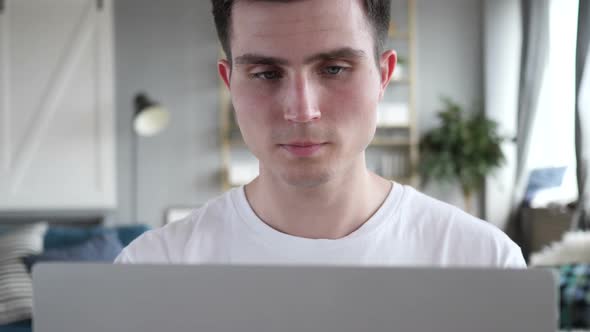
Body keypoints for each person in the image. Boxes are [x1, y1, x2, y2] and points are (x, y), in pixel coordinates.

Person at [115, 0, 525, 268]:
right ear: (230, 82)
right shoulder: (152, 268)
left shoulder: (483, 261)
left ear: (383, 76)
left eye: (333, 69)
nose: (301, 109)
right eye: (266, 73)